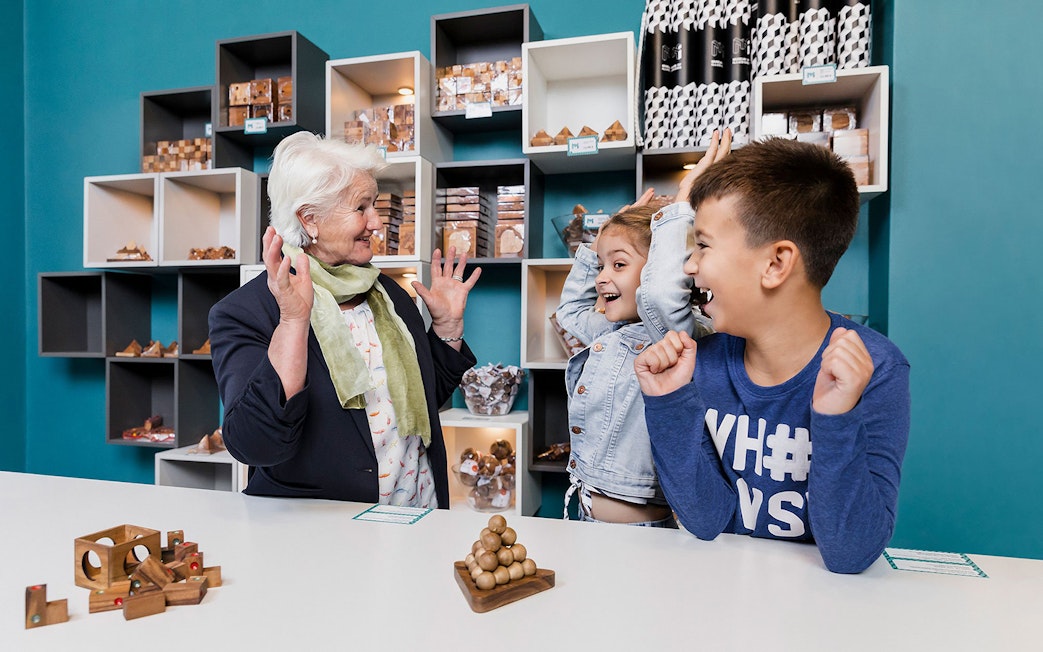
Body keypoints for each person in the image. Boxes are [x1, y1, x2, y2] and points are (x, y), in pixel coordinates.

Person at [634, 138, 910, 572]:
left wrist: (837, 418)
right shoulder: (703, 362)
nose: (690, 266)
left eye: (703, 245)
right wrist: (669, 404)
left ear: (777, 263)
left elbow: (850, 553)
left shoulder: (878, 370)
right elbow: (706, 520)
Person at [209, 131, 480, 507]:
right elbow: (254, 444)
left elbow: (416, 402)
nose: (376, 223)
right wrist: (292, 322)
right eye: (361, 208)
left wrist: (447, 329)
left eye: (375, 205)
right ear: (310, 219)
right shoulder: (247, 311)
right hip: (325, 534)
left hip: (418, 512)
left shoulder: (388, 295)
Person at [556, 131, 729, 526]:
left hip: (640, 532)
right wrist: (599, 245)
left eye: (618, 265)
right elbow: (570, 311)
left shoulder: (675, 334)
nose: (601, 278)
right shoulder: (611, 333)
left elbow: (660, 295)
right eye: (601, 267)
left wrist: (682, 207)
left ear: (655, 271)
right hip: (586, 512)